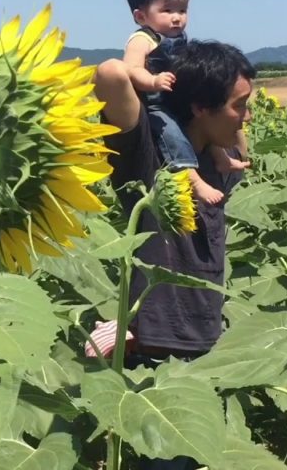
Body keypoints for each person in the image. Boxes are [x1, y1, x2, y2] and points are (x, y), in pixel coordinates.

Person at [93, 40, 255, 470]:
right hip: (154, 356)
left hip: (205, 345)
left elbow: (242, 144)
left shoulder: (220, 163)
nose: (247, 117)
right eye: (240, 105)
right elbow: (110, 75)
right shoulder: (147, 158)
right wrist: (144, 58)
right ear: (201, 106)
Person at [103, 0, 248, 205]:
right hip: (156, 104)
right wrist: (153, 81)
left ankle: (222, 158)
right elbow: (131, 69)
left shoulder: (179, 39)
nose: (177, 17)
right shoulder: (142, 40)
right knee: (173, 134)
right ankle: (192, 177)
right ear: (141, 17)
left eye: (182, 9)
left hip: (177, 97)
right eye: (167, 10)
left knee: (205, 124)